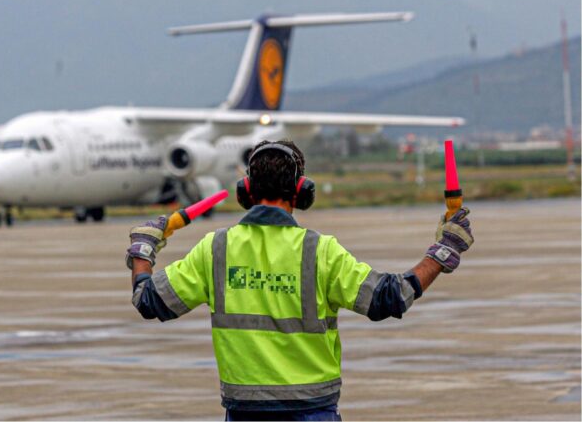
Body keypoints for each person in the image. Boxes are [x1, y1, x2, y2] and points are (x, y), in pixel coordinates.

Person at [125, 140, 473, 421]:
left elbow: (149, 301)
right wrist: (442, 252)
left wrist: (143, 248)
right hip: (313, 411)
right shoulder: (321, 252)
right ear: (301, 190)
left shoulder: (215, 249)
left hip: (244, 412)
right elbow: (391, 298)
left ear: (246, 189)